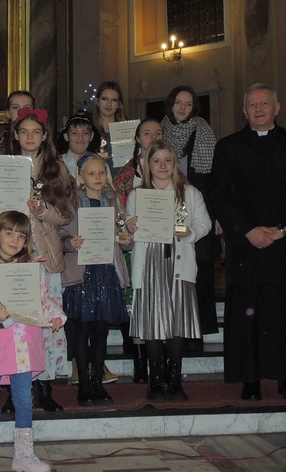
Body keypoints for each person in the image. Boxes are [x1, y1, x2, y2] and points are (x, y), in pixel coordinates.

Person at [212, 83, 286, 401]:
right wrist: (247, 230)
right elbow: (219, 194)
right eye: (252, 105)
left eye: (264, 103)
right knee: (248, 312)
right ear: (244, 112)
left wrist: (285, 229)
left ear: (277, 108)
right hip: (246, 247)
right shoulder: (228, 147)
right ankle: (250, 379)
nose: (258, 109)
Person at [0, 108, 75, 413]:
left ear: (45, 135)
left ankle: (44, 388)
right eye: (24, 132)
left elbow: (66, 215)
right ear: (15, 136)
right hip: (12, 259)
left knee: (45, 324)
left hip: (45, 258)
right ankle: (16, 389)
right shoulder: (2, 168)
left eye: (36, 131)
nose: (30, 137)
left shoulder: (56, 169)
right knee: (14, 322)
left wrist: (42, 210)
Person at [0, 211, 66, 472]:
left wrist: (55, 315)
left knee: (24, 398)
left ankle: (24, 455)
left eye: (21, 235)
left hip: (23, 349)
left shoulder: (32, 267)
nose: (15, 240)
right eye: (9, 233)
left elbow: (42, 300)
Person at [126, 140, 211, 401]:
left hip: (178, 262)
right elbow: (128, 237)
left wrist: (190, 233)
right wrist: (129, 228)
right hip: (149, 262)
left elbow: (205, 223)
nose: (162, 166)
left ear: (174, 164)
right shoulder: (136, 195)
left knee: (176, 324)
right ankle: (155, 380)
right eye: (156, 161)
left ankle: (175, 381)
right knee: (152, 325)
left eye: (167, 160)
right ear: (147, 165)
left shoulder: (189, 193)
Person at [60, 153, 131, 406]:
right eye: (92, 173)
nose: (98, 177)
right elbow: (58, 235)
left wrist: (126, 240)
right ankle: (84, 385)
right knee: (81, 329)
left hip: (106, 271)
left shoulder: (113, 200)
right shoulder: (71, 203)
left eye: (101, 172)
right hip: (82, 273)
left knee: (101, 330)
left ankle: (98, 381)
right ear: (81, 178)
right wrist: (70, 243)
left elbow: (123, 236)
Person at [161, 85, 220, 339]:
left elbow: (216, 178)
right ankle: (174, 326)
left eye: (187, 103)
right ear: (170, 104)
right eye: (178, 102)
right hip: (167, 208)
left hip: (200, 206)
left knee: (202, 269)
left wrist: (217, 216)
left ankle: (202, 328)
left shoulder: (204, 131)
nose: (182, 107)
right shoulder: (159, 132)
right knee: (172, 269)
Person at [112, 117, 164, 385]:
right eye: (147, 133)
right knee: (136, 305)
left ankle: (160, 358)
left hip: (165, 251)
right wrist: (125, 227)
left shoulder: (172, 171)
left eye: (157, 132)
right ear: (137, 139)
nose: (152, 137)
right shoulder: (124, 175)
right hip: (133, 249)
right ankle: (140, 361)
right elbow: (115, 211)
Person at [92, 81, 126, 172]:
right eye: (104, 99)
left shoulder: (127, 130)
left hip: (124, 180)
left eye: (114, 100)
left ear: (119, 104)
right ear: (97, 101)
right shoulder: (89, 129)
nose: (109, 104)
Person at [0, 90, 34, 156]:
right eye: (15, 107)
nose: (20, 112)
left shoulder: (41, 139)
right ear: (8, 113)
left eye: (26, 108)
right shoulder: (0, 141)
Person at [57, 113, 101, 179]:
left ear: (91, 136)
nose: (80, 138)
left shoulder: (99, 164)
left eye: (85, 133)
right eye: (74, 133)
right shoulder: (55, 164)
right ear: (66, 136)